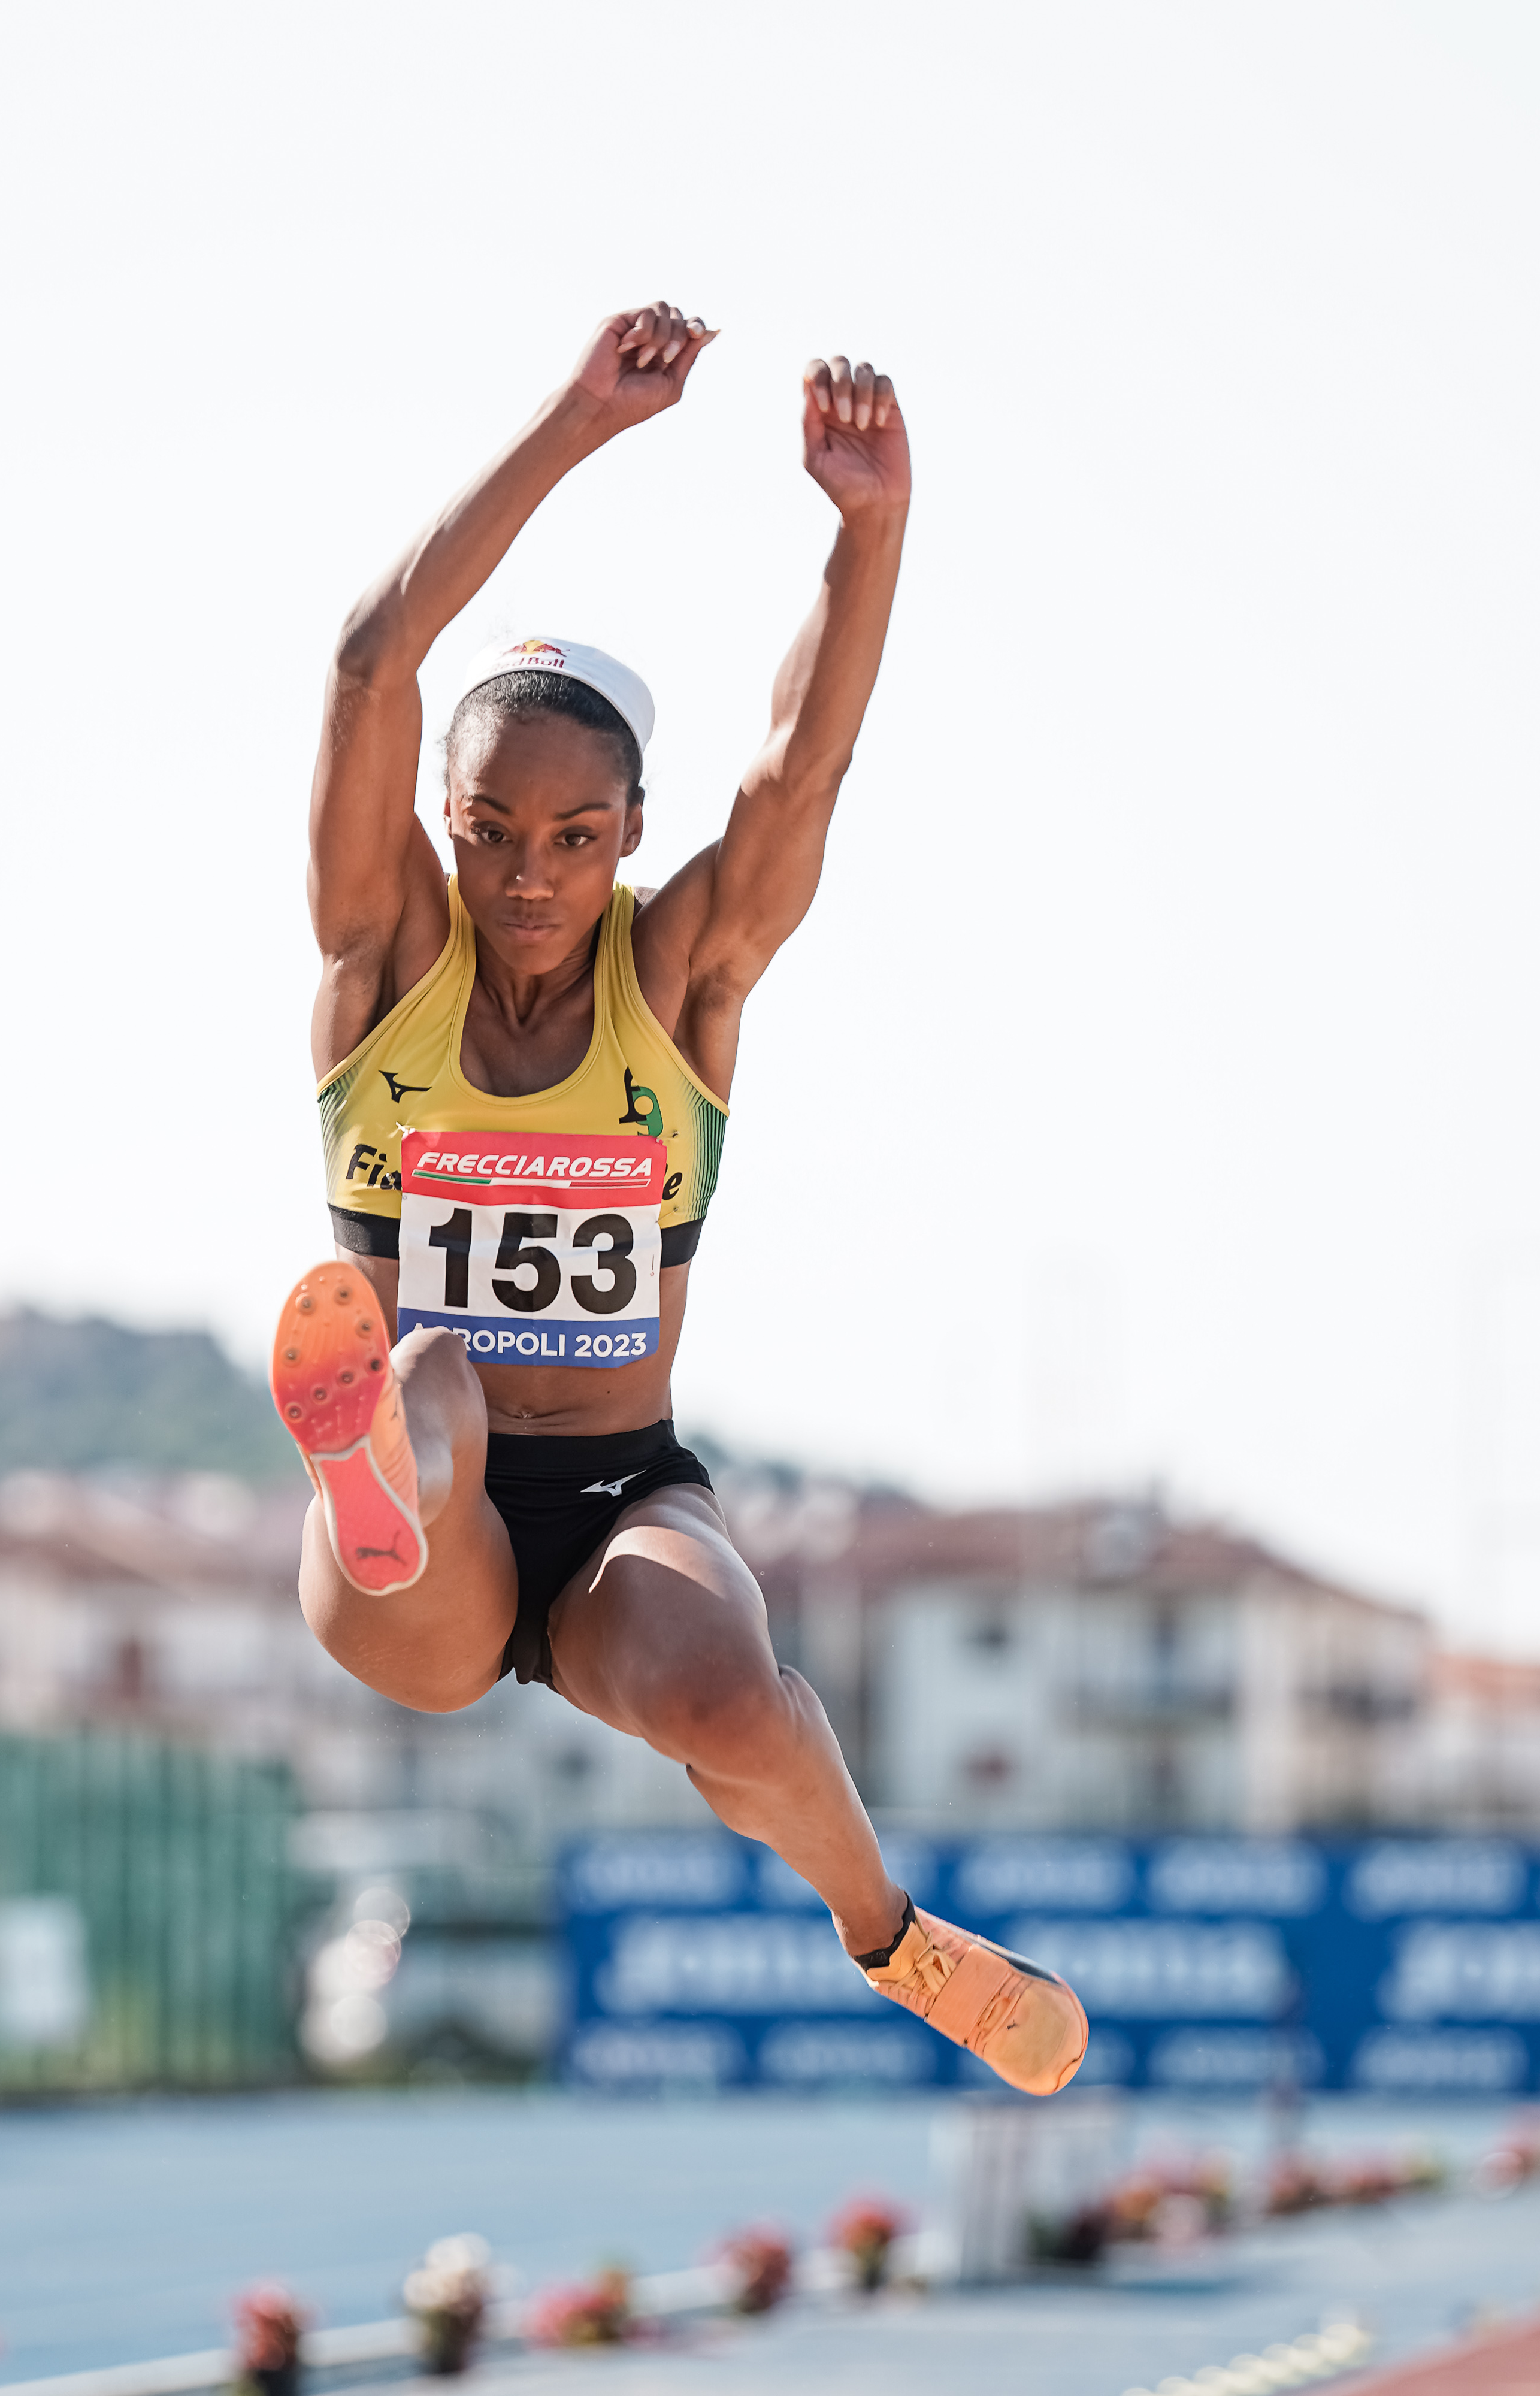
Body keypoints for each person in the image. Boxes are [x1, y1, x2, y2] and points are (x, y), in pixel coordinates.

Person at [271, 302, 1087, 2097]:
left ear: (631, 834)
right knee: (430, 1372)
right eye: (492, 829)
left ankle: (897, 1938)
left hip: (619, 1492)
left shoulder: (685, 979)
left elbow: (803, 764)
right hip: (428, 1553)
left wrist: (870, 527)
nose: (529, 874)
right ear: (445, 813)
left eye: (576, 838)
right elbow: (369, 660)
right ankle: (370, 1474)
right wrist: (576, 421)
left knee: (731, 1696)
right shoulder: (381, 958)